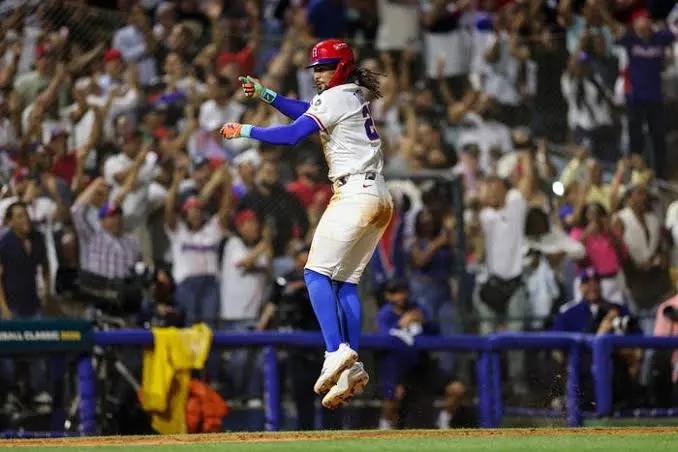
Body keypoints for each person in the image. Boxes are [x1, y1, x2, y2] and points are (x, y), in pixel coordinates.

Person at [219, 39, 393, 409]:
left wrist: (246, 130)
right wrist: (266, 95)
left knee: (314, 274)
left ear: (341, 67)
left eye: (325, 67)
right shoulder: (349, 94)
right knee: (344, 283)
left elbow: (293, 133)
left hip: (354, 194)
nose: (318, 74)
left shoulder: (337, 96)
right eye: (316, 68)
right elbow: (307, 112)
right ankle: (351, 365)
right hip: (378, 196)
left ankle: (335, 352)